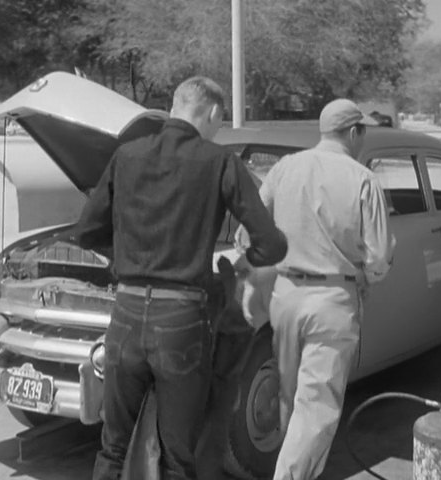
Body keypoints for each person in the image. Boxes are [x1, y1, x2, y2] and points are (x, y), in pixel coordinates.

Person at [75, 76, 288, 480]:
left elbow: (86, 231)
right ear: (212, 113)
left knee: (113, 448)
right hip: (181, 323)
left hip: (125, 314)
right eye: (219, 123)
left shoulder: (126, 156)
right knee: (176, 457)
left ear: (174, 106)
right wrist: (244, 263)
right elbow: (272, 244)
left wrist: (126, 258)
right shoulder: (220, 161)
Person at [236, 98, 395, 480]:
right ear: (355, 132)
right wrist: (366, 275)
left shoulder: (286, 168)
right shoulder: (363, 180)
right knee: (316, 408)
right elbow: (378, 260)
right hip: (332, 302)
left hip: (286, 297)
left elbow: (247, 234)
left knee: (293, 399)